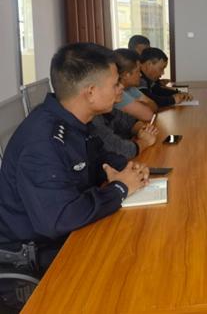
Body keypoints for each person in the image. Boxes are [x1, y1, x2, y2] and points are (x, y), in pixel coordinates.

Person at [0, 43, 150, 307]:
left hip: (69, 237)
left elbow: (99, 156)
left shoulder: (75, 121)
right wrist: (120, 189)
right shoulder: (43, 143)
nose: (120, 89)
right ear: (90, 92)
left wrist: (128, 170)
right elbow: (60, 218)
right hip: (39, 261)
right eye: (115, 83)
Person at [91, 84, 159, 160]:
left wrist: (143, 130)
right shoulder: (92, 120)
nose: (122, 86)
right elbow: (121, 150)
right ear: (91, 91)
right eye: (115, 84)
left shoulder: (107, 109)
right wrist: (145, 141)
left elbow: (130, 122)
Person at [114, 48, 158, 122]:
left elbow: (154, 104)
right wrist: (142, 105)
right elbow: (148, 115)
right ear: (126, 75)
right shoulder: (118, 92)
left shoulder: (130, 88)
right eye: (138, 71)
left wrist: (139, 105)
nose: (141, 75)